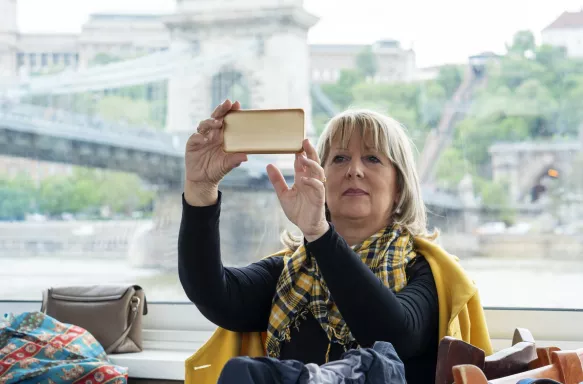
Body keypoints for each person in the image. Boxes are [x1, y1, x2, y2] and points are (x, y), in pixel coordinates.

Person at [178, 100, 492, 384]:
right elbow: (214, 295)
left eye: (372, 158)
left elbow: (396, 336)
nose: (355, 170)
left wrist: (319, 233)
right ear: (321, 176)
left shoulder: (429, 272)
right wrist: (200, 189)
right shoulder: (291, 271)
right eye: (340, 158)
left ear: (400, 187)